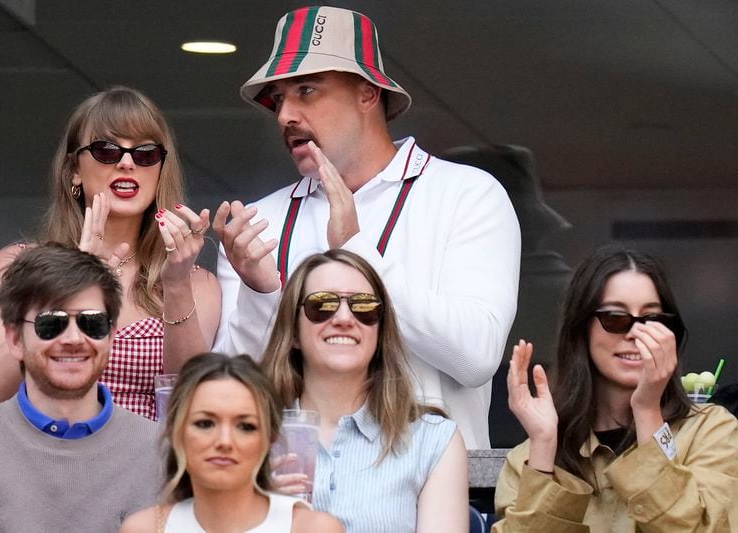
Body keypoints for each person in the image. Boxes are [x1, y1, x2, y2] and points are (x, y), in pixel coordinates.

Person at [212, 5, 520, 450]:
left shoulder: (467, 194)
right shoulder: (259, 222)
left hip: (430, 498)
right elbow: (234, 396)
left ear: (367, 94)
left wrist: (357, 248)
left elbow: (475, 356)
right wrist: (261, 295)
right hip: (296, 495)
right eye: (279, 99)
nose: (284, 115)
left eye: (306, 90)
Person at [0, 86, 221, 419]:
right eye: (107, 150)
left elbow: (190, 402)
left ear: (161, 169)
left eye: (145, 153)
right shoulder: (16, 264)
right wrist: (70, 283)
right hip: (47, 458)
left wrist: (176, 284)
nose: (127, 163)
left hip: (146, 463)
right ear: (75, 169)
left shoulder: (195, 282)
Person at [495, 245, 738, 531]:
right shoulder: (530, 454)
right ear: (581, 330)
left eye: (652, 319)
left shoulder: (712, 431)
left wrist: (647, 409)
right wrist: (545, 447)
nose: (636, 333)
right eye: (615, 319)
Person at [0, 244, 162, 532]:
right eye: (51, 324)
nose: (73, 338)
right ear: (15, 339)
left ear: (111, 335)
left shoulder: (167, 454)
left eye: (91, 323)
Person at [261, 249, 469, 533]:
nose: (345, 318)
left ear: (380, 331)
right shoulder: (249, 433)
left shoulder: (431, 440)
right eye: (322, 305)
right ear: (293, 332)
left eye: (364, 306)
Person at [120, 353, 343, 533]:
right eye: (205, 423)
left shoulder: (312, 528)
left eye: (245, 426)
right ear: (176, 433)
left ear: (269, 439)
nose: (224, 441)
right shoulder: (143, 528)